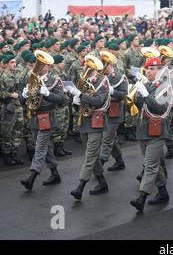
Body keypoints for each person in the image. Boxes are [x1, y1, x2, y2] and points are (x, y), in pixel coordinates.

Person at [130, 57, 172, 213]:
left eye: (152, 69)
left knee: (150, 165)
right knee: (155, 164)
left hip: (157, 130)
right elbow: (140, 107)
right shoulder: (146, 84)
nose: (149, 71)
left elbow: (160, 108)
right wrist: (135, 95)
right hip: (143, 129)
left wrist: (146, 94)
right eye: (147, 69)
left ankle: (142, 197)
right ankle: (163, 192)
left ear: (159, 70)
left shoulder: (164, 86)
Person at [67, 55, 111, 200]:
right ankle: (102, 182)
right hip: (84, 122)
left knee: (90, 155)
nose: (85, 68)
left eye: (87, 66)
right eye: (85, 65)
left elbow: (98, 101)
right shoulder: (83, 80)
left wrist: (81, 95)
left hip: (96, 121)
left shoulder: (102, 81)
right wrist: (76, 101)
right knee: (93, 155)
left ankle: (80, 186)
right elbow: (81, 103)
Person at [20, 51, 65, 190]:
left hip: (46, 117)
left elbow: (61, 99)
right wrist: (24, 95)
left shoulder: (54, 80)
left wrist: (47, 93)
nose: (39, 67)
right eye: (38, 64)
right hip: (34, 117)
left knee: (39, 147)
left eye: (43, 65)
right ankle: (55, 173)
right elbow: (24, 102)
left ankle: (32, 177)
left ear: (48, 67)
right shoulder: (31, 80)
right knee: (46, 147)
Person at [99, 51, 128, 171]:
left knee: (106, 139)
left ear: (110, 65)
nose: (102, 69)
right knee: (111, 138)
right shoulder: (101, 78)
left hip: (114, 111)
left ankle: (99, 166)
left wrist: (112, 91)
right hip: (103, 111)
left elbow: (124, 94)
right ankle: (119, 161)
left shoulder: (120, 77)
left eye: (105, 66)